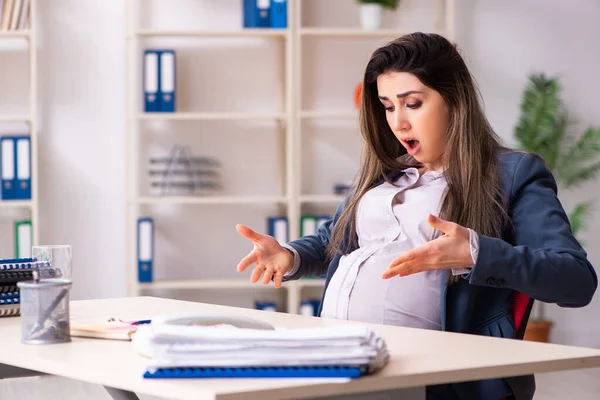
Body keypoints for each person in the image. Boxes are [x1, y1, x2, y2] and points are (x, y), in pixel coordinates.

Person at [235, 32, 597, 400]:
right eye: (388, 106)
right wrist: (290, 255)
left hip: (426, 380)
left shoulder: (511, 174)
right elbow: (337, 240)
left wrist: (475, 252)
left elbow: (575, 280)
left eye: (413, 103)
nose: (398, 123)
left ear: (455, 100)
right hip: (335, 360)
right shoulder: (382, 175)